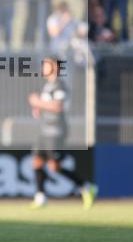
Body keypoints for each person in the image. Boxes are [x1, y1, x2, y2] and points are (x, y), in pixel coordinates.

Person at [28, 56, 97, 209]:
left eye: (46, 64)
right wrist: (39, 109)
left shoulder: (60, 85)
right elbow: (48, 106)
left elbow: (58, 107)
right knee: (37, 161)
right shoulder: (48, 86)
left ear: (54, 67)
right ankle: (40, 197)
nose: (43, 67)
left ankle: (86, 186)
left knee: (54, 166)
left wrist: (38, 102)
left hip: (56, 131)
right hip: (44, 131)